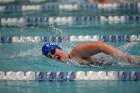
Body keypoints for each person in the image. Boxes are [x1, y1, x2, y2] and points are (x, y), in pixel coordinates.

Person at [42, 42, 140, 65]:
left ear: (59, 49)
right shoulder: (71, 61)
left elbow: (100, 46)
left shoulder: (76, 52)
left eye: (53, 51)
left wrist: (126, 58)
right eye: (50, 57)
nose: (54, 56)